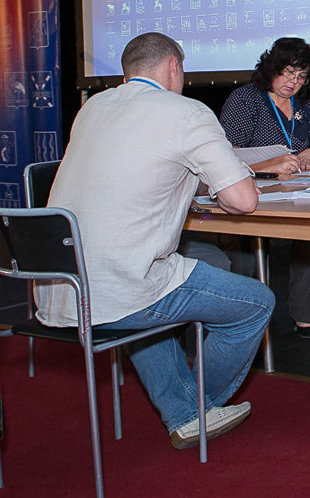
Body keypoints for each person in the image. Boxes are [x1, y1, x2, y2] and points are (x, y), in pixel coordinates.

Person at [35, 32, 274, 449]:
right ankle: (196, 409)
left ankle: (183, 410)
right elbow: (243, 201)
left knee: (156, 295)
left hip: (63, 284)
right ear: (174, 66)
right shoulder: (186, 112)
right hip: (122, 285)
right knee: (255, 303)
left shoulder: (92, 108)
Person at [220, 37, 310, 339]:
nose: (294, 82)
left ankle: (306, 317)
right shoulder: (246, 99)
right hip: (253, 194)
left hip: (294, 193)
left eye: (301, 76)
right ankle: (240, 318)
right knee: (242, 252)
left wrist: (309, 156)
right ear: (271, 68)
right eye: (289, 72)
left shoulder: (306, 102)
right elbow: (225, 155)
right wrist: (271, 163)